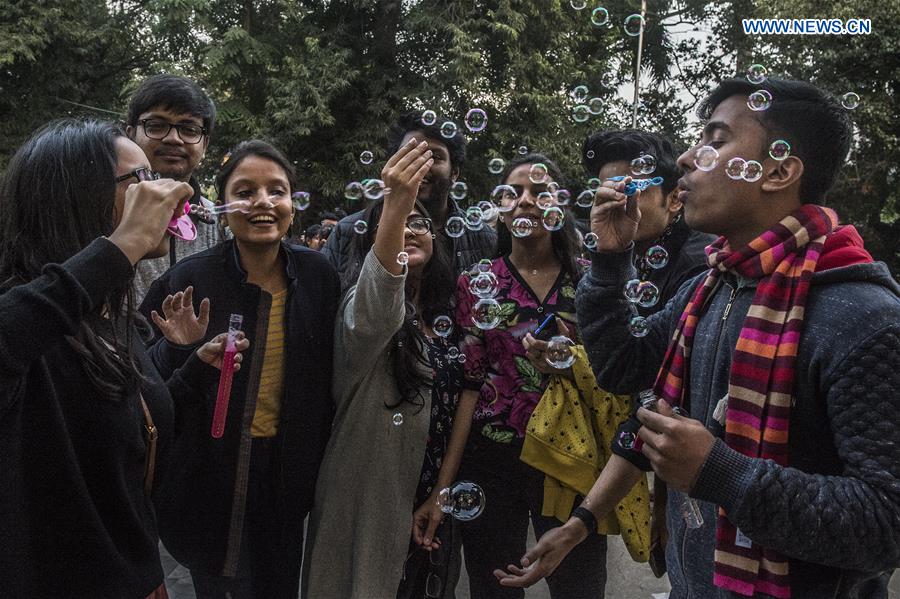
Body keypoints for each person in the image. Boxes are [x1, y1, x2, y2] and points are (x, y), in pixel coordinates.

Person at [501, 78, 900, 597]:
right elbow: (623, 367)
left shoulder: (865, 320)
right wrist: (609, 258)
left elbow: (887, 523)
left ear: (778, 171)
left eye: (714, 140)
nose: (689, 157)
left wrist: (722, 473)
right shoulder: (707, 289)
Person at [0, 119, 246, 598]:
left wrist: (191, 369)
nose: (167, 194)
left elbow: (129, 433)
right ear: (76, 197)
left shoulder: (108, 315)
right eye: (142, 181)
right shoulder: (30, 323)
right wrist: (123, 245)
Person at [426, 153, 644, 599]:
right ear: (501, 209)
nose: (526, 201)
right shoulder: (476, 282)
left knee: (579, 586)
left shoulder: (590, 279)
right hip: (491, 462)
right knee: (495, 588)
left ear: (559, 206)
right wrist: (444, 485)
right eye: (514, 192)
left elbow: (619, 371)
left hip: (573, 456)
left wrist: (575, 359)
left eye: (540, 192)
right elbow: (470, 385)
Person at [140, 140, 341, 598]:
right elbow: (147, 384)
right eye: (246, 191)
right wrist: (180, 350)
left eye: (278, 190)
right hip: (207, 476)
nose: (263, 203)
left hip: (285, 474)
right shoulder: (188, 279)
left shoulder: (318, 277)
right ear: (223, 205)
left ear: (293, 203)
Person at [302, 138, 463, 599]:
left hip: (434, 496)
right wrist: (395, 204)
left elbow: (465, 400)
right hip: (371, 496)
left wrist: (441, 493)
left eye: (420, 222)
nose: (410, 230)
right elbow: (381, 294)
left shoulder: (450, 317)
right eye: (396, 225)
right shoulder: (361, 312)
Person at [322, 111, 496, 281]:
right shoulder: (347, 231)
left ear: (455, 173)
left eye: (434, 156)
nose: (421, 165)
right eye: (410, 154)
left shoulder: (484, 238)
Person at [583, 129, 716, 316]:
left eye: (630, 188)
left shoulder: (698, 265)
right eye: (607, 191)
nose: (616, 203)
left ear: (675, 198)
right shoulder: (630, 253)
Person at [127, 74, 222, 302]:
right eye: (157, 126)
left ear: (205, 143)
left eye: (189, 130)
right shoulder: (104, 213)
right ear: (130, 134)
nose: (173, 139)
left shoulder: (220, 225)